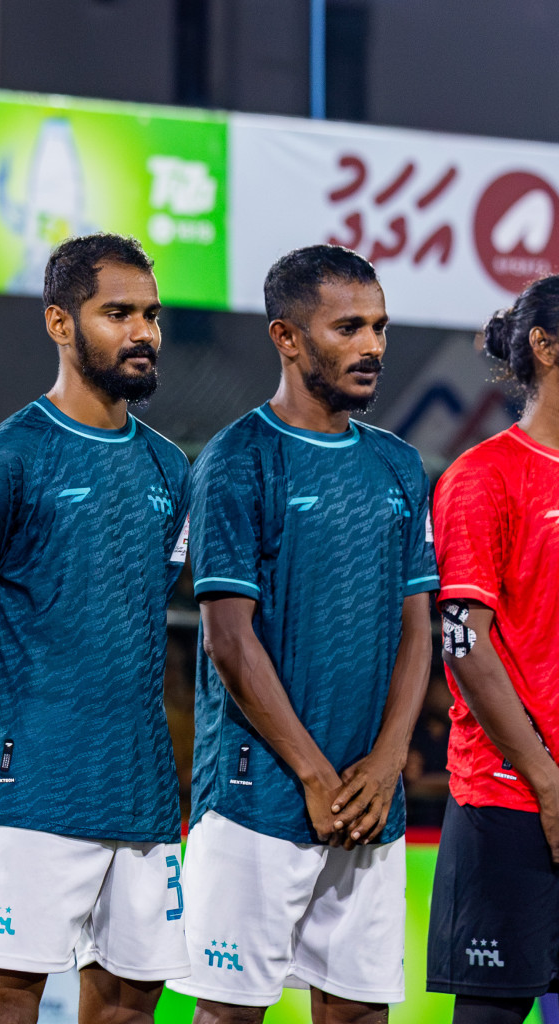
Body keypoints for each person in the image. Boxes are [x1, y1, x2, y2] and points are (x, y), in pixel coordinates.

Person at [0, 233, 191, 1024]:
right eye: (117, 313)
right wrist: (18, 718)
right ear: (61, 325)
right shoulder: (6, 461)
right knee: (5, 1001)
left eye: (151, 314)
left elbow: (137, 617)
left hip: (140, 794)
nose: (142, 331)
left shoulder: (170, 470)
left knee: (132, 1005)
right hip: (30, 791)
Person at [166, 244, 436, 1024]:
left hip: (370, 805)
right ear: (287, 337)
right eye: (348, 327)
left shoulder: (398, 466)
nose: (373, 346)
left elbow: (417, 625)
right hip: (257, 801)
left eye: (380, 327)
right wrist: (317, 777)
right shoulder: (237, 459)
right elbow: (226, 638)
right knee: (229, 1015)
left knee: (358, 1014)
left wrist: (386, 766)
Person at [427, 276, 559, 1024]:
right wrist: (547, 783)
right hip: (510, 801)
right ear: (545, 346)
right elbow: (463, 643)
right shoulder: (484, 476)